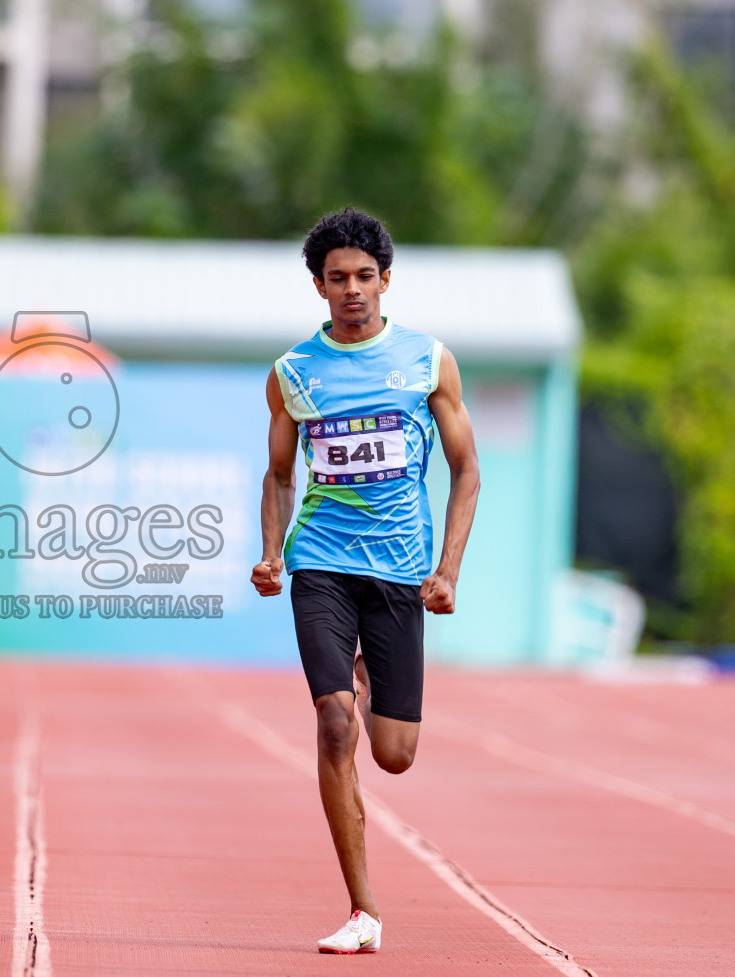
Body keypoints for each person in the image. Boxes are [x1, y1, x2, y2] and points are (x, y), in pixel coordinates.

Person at [251, 208, 479, 954]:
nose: (353, 290)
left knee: (395, 754)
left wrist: (446, 569)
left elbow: (466, 469)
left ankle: (369, 679)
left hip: (398, 575)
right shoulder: (293, 374)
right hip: (320, 565)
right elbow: (280, 476)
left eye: (365, 277)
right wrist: (273, 552)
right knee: (333, 724)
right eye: (338, 278)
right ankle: (364, 911)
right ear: (318, 286)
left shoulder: (426, 361)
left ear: (386, 281)